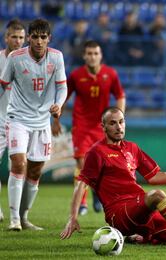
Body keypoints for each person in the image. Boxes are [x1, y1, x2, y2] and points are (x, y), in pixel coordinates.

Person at [60, 107, 166, 248]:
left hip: (141, 209)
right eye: (112, 123)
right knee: (157, 195)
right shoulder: (96, 152)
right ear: (103, 127)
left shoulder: (132, 148)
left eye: (121, 122)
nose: (119, 127)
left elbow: (155, 176)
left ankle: (144, 238)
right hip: (119, 213)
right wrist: (72, 218)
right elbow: (81, 184)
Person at [0, 18, 67, 231]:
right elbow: (3, 86)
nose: (39, 41)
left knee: (36, 170)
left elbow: (62, 87)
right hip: (17, 118)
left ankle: (24, 217)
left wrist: (58, 104)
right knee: (19, 164)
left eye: (43, 37)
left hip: (41, 121)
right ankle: (13, 219)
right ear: (29, 38)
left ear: (49, 39)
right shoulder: (15, 58)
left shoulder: (56, 57)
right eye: (35, 37)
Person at [52, 40, 126, 216]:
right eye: (89, 54)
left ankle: (95, 191)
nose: (92, 57)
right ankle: (83, 201)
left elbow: (120, 96)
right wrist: (56, 120)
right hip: (82, 126)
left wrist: (119, 119)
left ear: (100, 56)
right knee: (82, 163)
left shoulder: (111, 74)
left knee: (102, 165)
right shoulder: (77, 75)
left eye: (96, 54)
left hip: (103, 127)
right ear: (84, 56)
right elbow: (62, 98)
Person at [0, 19, 26, 223]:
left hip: (20, 123)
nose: (17, 41)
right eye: (14, 37)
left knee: (19, 167)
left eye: (21, 38)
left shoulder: (30, 62)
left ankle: (18, 217)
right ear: (6, 38)